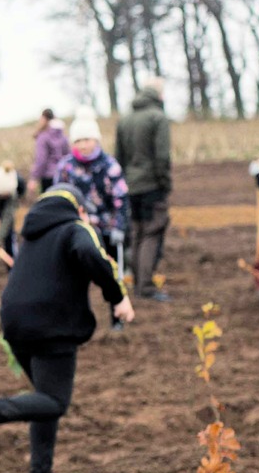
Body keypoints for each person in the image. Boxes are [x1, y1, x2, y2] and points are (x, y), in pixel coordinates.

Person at [0, 187, 134, 473]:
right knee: (54, 401)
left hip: (14, 324)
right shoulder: (75, 228)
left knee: (43, 400)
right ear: (80, 210)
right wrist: (117, 297)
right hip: (51, 326)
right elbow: (90, 253)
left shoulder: (32, 235)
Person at [51, 115, 129, 328]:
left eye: (87, 139)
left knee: (112, 274)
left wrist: (119, 226)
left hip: (106, 228)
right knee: (74, 277)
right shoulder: (65, 167)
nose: (83, 145)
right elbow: (57, 198)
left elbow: (121, 198)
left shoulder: (110, 165)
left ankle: (117, 318)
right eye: (78, 141)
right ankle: (76, 320)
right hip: (76, 230)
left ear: (96, 140)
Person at [115, 77, 174, 303]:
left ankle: (139, 284)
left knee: (138, 233)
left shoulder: (125, 119)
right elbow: (162, 157)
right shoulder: (158, 118)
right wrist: (164, 184)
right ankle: (146, 287)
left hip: (130, 186)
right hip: (151, 185)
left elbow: (119, 157)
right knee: (152, 233)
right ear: (159, 94)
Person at [31, 109, 68, 194]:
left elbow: (41, 159)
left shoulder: (43, 137)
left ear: (44, 119)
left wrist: (34, 178)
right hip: (62, 176)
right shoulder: (62, 135)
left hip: (47, 177)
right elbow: (68, 155)